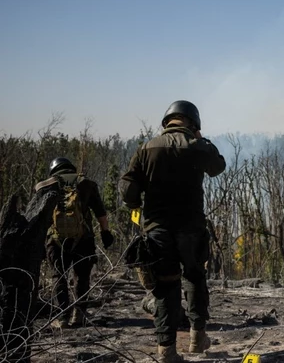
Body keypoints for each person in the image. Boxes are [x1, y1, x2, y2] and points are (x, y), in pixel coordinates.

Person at [118, 100, 225, 363]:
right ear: (193, 123)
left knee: (166, 285)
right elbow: (218, 167)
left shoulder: (146, 148)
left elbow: (128, 190)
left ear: (166, 122)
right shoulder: (198, 146)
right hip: (191, 227)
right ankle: (197, 338)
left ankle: (166, 350)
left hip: (158, 229)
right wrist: (202, 140)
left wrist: (135, 205)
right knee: (195, 277)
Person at [36, 157, 113, 328]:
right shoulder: (86, 184)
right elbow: (101, 213)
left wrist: (38, 244)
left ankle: (63, 316)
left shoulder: (44, 186)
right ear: (71, 168)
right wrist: (105, 233)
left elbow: (38, 219)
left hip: (54, 241)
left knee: (58, 276)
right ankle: (79, 314)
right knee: (82, 276)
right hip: (83, 239)